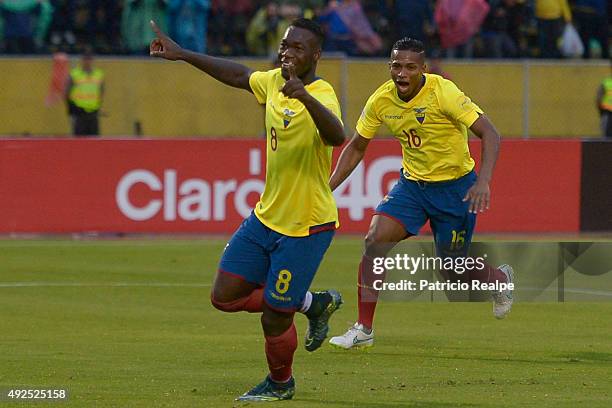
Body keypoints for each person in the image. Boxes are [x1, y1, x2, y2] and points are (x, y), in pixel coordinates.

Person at [149, 18, 345, 401]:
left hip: (306, 225)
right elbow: (239, 75)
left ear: (315, 56)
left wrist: (304, 96)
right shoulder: (272, 81)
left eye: (298, 48)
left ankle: (280, 383)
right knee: (224, 297)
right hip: (266, 216)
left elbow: (337, 134)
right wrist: (183, 54)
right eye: (285, 45)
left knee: (275, 314)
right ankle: (313, 303)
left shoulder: (322, 92)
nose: (288, 52)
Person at [327, 38, 514, 350]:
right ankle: (364, 328)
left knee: (453, 271)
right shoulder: (381, 100)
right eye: (396, 66)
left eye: (410, 67)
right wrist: (326, 189)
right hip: (413, 187)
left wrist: (483, 181)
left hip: (455, 189)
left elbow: (490, 133)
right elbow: (357, 146)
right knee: (375, 240)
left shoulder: (444, 92)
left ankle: (499, 279)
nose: (402, 73)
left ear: (423, 69)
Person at [65, 48, 104, 137]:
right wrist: (71, 107)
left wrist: (99, 105)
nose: (87, 61)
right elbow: (67, 92)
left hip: (93, 112)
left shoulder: (99, 74)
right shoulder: (75, 74)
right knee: (79, 141)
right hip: (79, 112)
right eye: (85, 59)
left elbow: (101, 91)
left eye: (89, 59)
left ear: (92, 60)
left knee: (94, 141)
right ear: (82, 60)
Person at [596, 66, 612, 138]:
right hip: (607, 113)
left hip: (607, 114)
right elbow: (598, 99)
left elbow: (598, 99)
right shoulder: (606, 83)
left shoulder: (605, 83)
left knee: (606, 138)